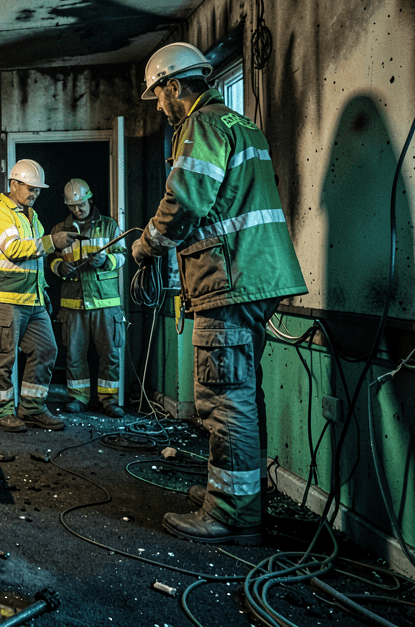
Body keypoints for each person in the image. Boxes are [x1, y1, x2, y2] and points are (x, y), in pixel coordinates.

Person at [130, 42, 308, 545]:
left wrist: (148, 244)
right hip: (257, 276)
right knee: (241, 392)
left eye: (158, 96)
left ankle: (230, 514)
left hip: (228, 280)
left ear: (173, 86)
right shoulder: (239, 124)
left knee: (224, 398)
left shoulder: (201, 125)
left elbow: (185, 200)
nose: (160, 107)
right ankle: (236, 495)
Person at [0, 159, 75, 433]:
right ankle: (1, 412)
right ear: (14, 185)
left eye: (37, 189)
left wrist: (42, 292)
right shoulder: (0, 214)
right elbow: (14, 250)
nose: (35, 193)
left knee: (46, 350)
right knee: (3, 358)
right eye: (30, 188)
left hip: (32, 301)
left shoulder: (31, 216)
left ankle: (32, 409)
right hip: (7, 301)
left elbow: (36, 262)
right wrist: (52, 242)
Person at [48, 179, 127, 418]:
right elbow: (50, 258)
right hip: (73, 303)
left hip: (106, 302)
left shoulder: (109, 226)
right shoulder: (59, 230)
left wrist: (106, 261)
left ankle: (109, 400)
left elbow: (122, 255)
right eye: (72, 206)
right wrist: (59, 267)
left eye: (81, 204)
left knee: (110, 354)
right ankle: (78, 397)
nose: (77, 209)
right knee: (74, 354)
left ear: (90, 200)